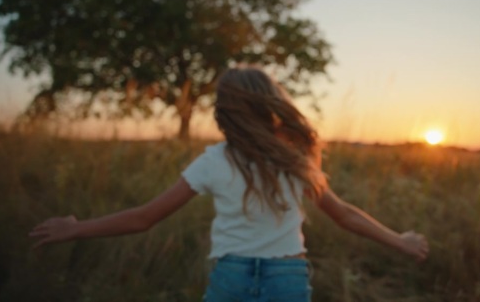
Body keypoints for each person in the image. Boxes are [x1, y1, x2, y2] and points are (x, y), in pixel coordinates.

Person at [29, 65, 429, 301]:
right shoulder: (299, 158)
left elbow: (144, 218)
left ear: (225, 114)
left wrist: (76, 228)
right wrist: (401, 240)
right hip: (287, 279)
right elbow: (342, 214)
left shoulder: (213, 162)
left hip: (231, 277)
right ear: (271, 104)